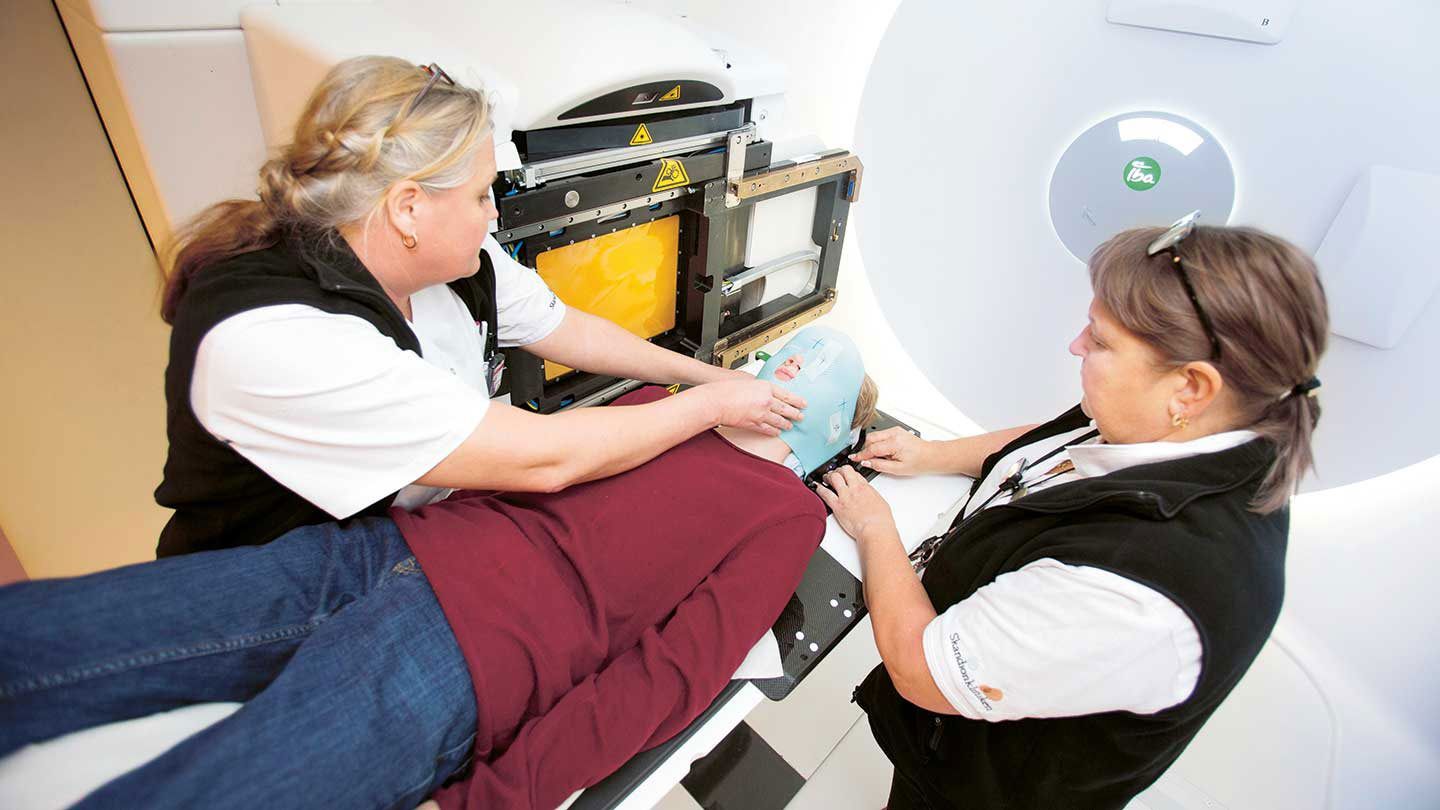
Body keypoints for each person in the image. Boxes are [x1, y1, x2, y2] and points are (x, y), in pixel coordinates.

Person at [0, 330, 876, 810]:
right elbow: (530, 461)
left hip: (467, 652)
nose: (792, 362)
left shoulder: (785, 515)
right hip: (380, 553)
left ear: (830, 424)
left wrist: (490, 802)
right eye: (792, 350)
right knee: (55, 633)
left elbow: (669, 679)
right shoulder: (667, 405)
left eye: (815, 366)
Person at [153, 55, 804, 558]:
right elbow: (547, 459)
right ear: (408, 208)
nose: (494, 213)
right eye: (480, 195)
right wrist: (711, 407)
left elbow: (566, 328)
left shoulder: (459, 263)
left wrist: (708, 376)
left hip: (418, 525)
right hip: (283, 585)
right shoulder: (280, 337)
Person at [816, 217, 1328, 810]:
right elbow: (1060, 437)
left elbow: (920, 672)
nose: (1076, 345)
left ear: (1190, 388)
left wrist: (875, 527)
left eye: (1101, 341)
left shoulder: (1141, 589)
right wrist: (932, 454)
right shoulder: (1182, 426)